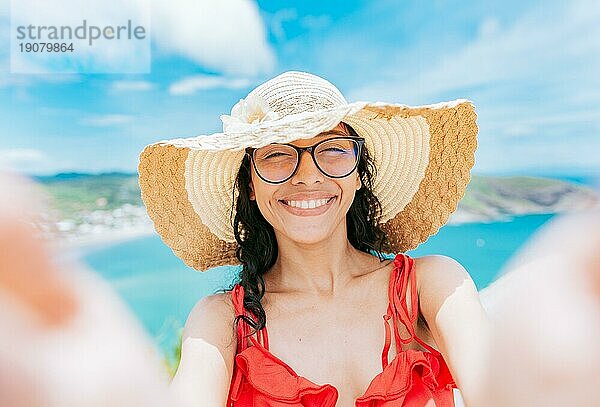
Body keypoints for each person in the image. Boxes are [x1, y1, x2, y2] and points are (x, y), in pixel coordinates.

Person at [138, 70, 491, 406]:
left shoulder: (431, 286)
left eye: (333, 149)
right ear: (250, 184)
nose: (308, 176)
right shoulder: (220, 322)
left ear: (358, 173)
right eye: (277, 153)